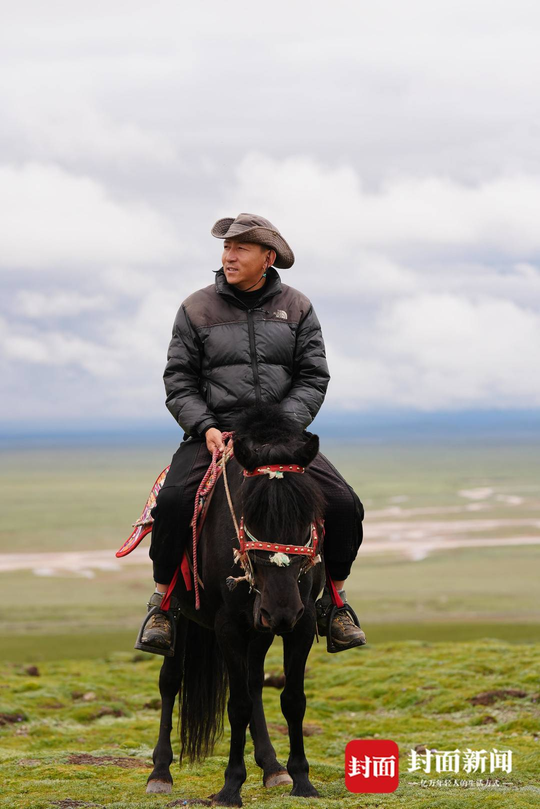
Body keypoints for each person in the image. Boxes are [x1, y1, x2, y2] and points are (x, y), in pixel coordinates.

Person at [136, 213, 366, 655]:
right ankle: (162, 605)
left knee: (342, 503)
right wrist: (203, 426)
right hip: (216, 435)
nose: (229, 256)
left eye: (240, 248)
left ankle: (335, 605)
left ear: (268, 257)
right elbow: (179, 380)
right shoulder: (196, 308)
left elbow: (313, 376)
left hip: (282, 437)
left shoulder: (297, 306)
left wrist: (285, 426)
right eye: (226, 248)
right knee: (173, 503)